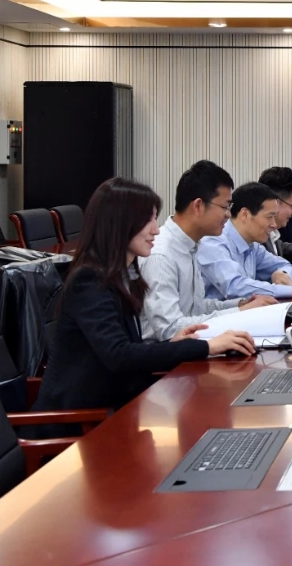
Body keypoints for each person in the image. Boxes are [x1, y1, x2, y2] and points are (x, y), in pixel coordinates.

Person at [33, 177, 256, 417]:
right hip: (82, 420)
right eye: (147, 220)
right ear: (119, 224)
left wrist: (173, 346)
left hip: (120, 406)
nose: (156, 230)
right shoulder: (89, 280)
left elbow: (131, 350)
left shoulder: (123, 274)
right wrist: (205, 347)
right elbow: (119, 355)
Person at [141, 161, 278, 341]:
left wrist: (240, 305)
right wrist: (239, 313)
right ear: (198, 206)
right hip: (164, 355)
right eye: (225, 207)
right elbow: (170, 329)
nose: (228, 214)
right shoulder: (161, 255)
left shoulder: (191, 245)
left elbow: (196, 308)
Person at [198, 182, 292, 301]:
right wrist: (291, 291)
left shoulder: (253, 246)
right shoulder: (213, 241)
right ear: (245, 214)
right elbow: (234, 286)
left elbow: (286, 265)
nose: (274, 225)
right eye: (269, 217)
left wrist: (281, 273)